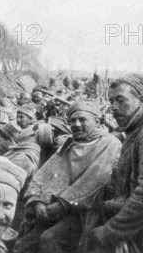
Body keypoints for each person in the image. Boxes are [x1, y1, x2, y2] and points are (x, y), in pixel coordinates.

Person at [82, 74, 143, 252]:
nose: (113, 108)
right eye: (111, 101)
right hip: (135, 229)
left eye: (120, 100)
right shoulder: (137, 130)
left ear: (141, 100)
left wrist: (109, 232)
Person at [14, 101, 122, 253]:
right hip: (52, 209)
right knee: (22, 246)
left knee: (50, 240)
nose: (76, 124)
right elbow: (43, 173)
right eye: (72, 120)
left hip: (85, 213)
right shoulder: (70, 143)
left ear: (97, 121)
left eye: (82, 120)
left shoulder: (110, 143)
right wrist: (36, 200)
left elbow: (94, 181)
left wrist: (63, 205)